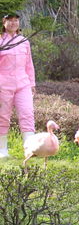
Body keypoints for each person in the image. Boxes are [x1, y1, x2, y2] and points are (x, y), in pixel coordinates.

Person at [0, 13, 36, 159]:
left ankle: (30, 149)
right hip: (3, 83)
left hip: (23, 83)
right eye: (10, 21)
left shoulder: (23, 41)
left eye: (16, 20)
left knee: (27, 113)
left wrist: (32, 83)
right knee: (3, 116)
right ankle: (2, 150)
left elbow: (29, 64)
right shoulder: (1, 41)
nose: (13, 23)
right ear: (4, 23)